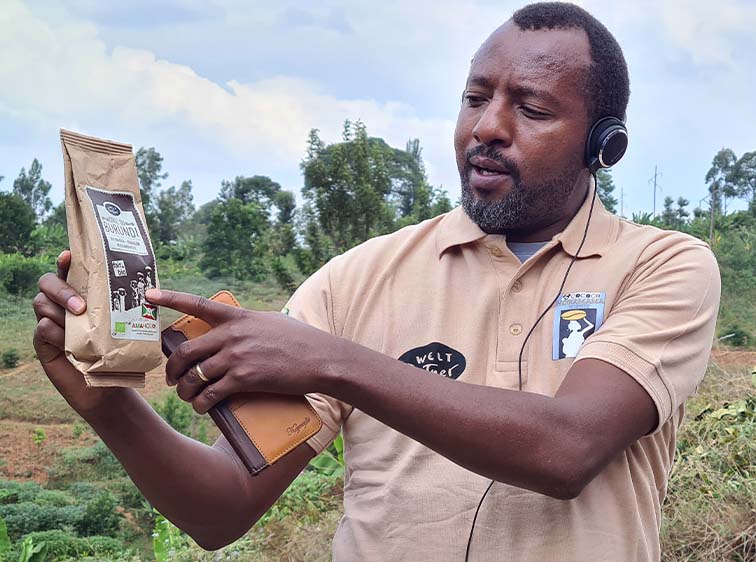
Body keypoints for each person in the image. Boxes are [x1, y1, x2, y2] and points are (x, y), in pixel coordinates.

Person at [31, 3, 719, 561]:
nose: (487, 128)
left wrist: (332, 362)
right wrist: (107, 406)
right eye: (475, 99)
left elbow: (566, 449)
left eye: (532, 110)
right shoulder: (356, 280)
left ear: (605, 146)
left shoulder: (662, 268)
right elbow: (221, 510)